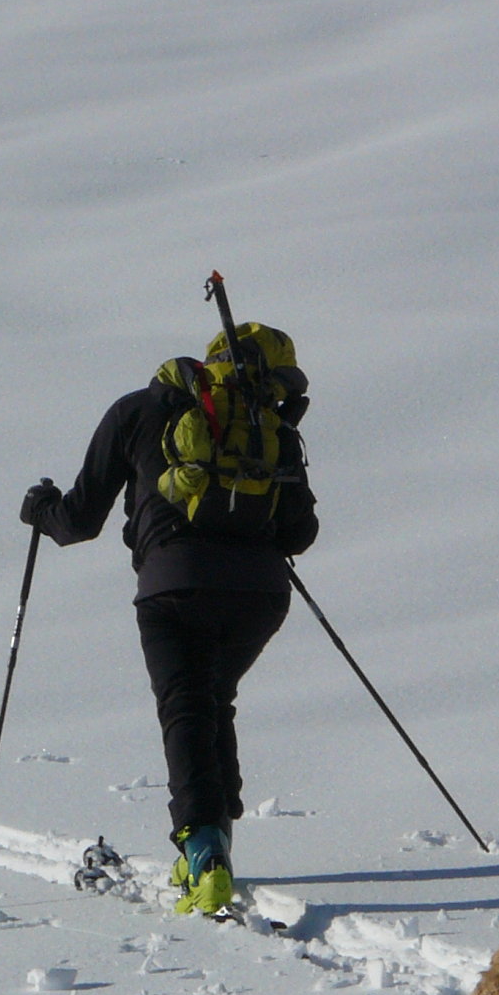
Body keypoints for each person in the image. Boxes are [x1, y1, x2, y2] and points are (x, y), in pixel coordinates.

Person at [21, 324, 318, 916]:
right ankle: (215, 841)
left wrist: (40, 510)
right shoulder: (270, 425)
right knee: (211, 698)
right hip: (260, 594)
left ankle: (204, 854)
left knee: (186, 705)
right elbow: (299, 533)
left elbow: (80, 520)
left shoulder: (139, 409)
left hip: (173, 585)